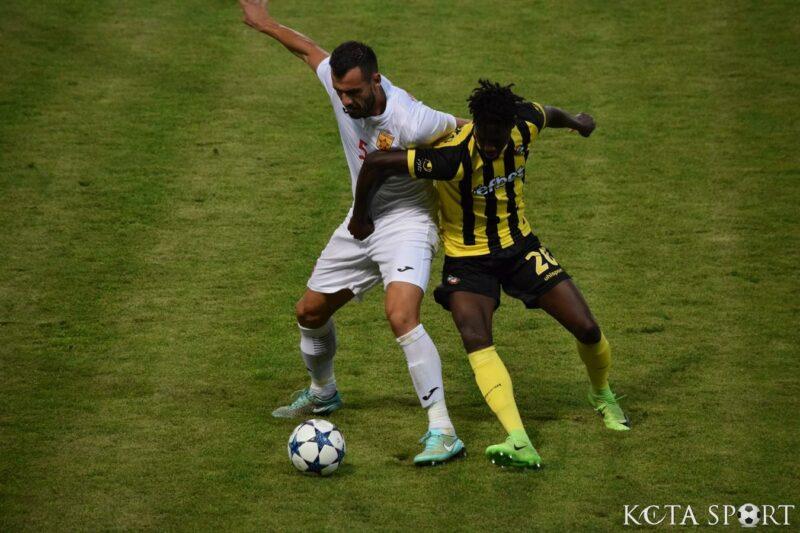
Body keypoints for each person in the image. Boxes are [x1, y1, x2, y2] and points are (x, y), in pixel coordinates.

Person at [349, 79, 630, 470]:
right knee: (476, 338)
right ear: (475, 125)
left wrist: (577, 122)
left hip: (521, 248)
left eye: (498, 137)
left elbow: (548, 113)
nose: (492, 145)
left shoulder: (523, 125)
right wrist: (360, 216)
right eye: (485, 135)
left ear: (510, 126)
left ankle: (601, 395)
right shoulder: (450, 157)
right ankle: (518, 439)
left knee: (587, 328)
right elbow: (378, 162)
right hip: (468, 261)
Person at [238, 0, 465, 465]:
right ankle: (324, 393)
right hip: (360, 221)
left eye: (354, 93)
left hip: (408, 223)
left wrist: (518, 132)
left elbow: (464, 130)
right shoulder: (340, 83)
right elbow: (308, 51)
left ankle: (443, 430)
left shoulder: (412, 119)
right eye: (341, 92)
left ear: (376, 81)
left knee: (401, 315)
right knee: (309, 312)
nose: (346, 102)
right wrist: (265, 24)